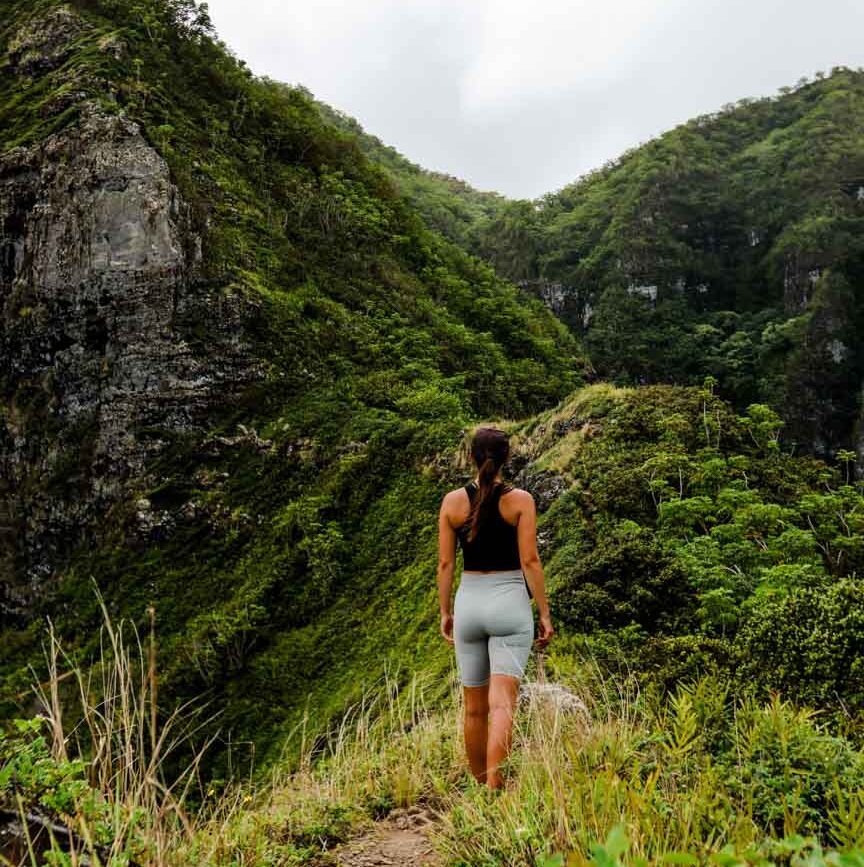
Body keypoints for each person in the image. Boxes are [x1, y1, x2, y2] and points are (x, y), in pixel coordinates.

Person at [436, 426, 554, 790]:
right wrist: (544, 613)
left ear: (471, 456)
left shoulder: (452, 503)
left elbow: (445, 565)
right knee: (503, 704)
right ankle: (495, 789)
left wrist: (445, 612)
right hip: (510, 604)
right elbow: (530, 560)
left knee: (474, 708)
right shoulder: (521, 501)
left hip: (469, 603)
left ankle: (479, 784)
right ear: (506, 458)